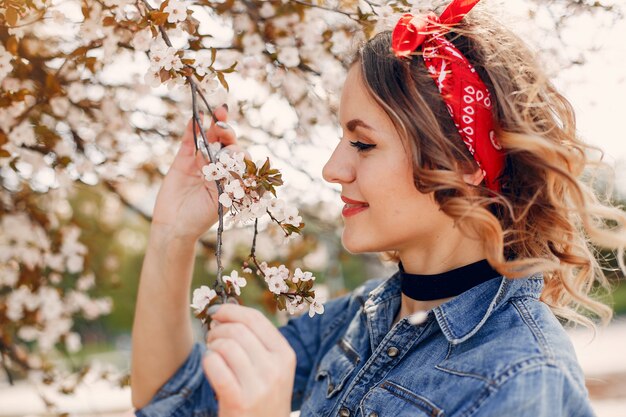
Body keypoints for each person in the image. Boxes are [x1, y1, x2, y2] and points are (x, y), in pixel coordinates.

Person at [130, 1, 626, 416]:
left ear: (462, 161)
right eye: (341, 138)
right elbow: (176, 403)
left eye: (362, 144)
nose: (332, 168)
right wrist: (173, 232)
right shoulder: (361, 317)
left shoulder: (520, 378)